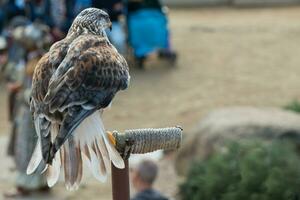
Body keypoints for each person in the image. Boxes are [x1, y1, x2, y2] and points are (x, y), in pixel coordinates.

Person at [4, 23, 51, 198]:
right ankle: (42, 183)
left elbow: (35, 94)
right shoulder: (38, 57)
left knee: (26, 147)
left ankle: (24, 185)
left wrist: (19, 90)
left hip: (32, 112)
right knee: (39, 146)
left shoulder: (36, 62)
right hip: (38, 113)